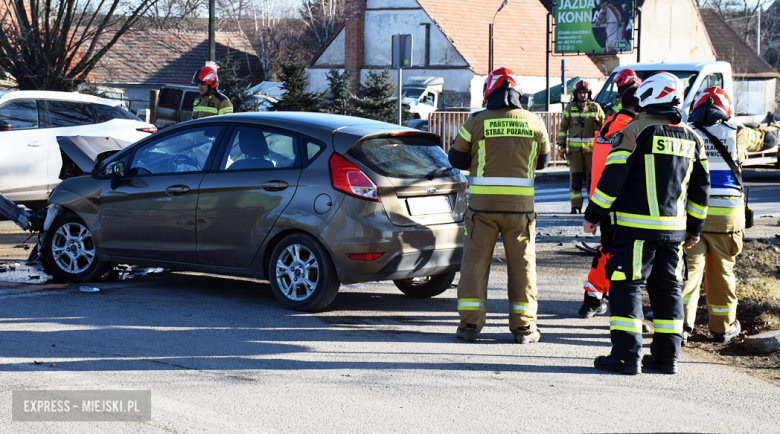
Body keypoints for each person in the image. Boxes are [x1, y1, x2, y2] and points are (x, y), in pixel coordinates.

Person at [583, 72, 710, 375]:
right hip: (674, 235)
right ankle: (667, 359)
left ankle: (626, 357)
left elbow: (613, 178)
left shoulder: (635, 130)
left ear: (650, 97)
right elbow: (701, 190)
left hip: (635, 232)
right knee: (668, 292)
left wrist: (593, 215)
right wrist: (694, 229)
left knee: (626, 288)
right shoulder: (693, 138)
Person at [448, 67, 551, 344]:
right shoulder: (535, 121)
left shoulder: (475, 122)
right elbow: (543, 162)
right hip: (520, 212)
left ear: (488, 93)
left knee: (474, 264)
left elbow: (455, 159)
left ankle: (469, 325)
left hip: (482, 210)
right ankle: (524, 327)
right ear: (518, 93)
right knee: (523, 266)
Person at [682, 86, 780, 344]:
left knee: (689, 271)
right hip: (727, 217)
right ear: (725, 110)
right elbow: (769, 139)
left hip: (692, 215)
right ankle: (723, 328)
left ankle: (680, 327)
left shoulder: (686, 132)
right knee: (723, 270)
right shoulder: (738, 132)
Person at [578, 69, 642, 318]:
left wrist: (594, 210)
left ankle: (592, 299)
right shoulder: (632, 129)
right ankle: (618, 303)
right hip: (619, 202)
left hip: (601, 199)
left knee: (606, 251)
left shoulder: (609, 124)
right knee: (619, 255)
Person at [558, 80, 605, 214]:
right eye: (580, 92)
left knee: (592, 178)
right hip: (575, 152)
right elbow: (563, 128)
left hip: (592, 151)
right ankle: (576, 206)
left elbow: (604, 128)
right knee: (575, 178)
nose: (582, 95)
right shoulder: (569, 108)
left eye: (585, 92)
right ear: (575, 94)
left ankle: (592, 206)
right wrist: (562, 145)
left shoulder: (596, 108)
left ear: (589, 93)